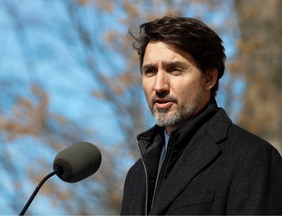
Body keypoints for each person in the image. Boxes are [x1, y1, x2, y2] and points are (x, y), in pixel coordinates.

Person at [120, 16, 282, 215]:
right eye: (150, 71)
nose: (159, 85)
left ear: (209, 78)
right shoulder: (137, 176)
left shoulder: (251, 158)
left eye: (175, 70)